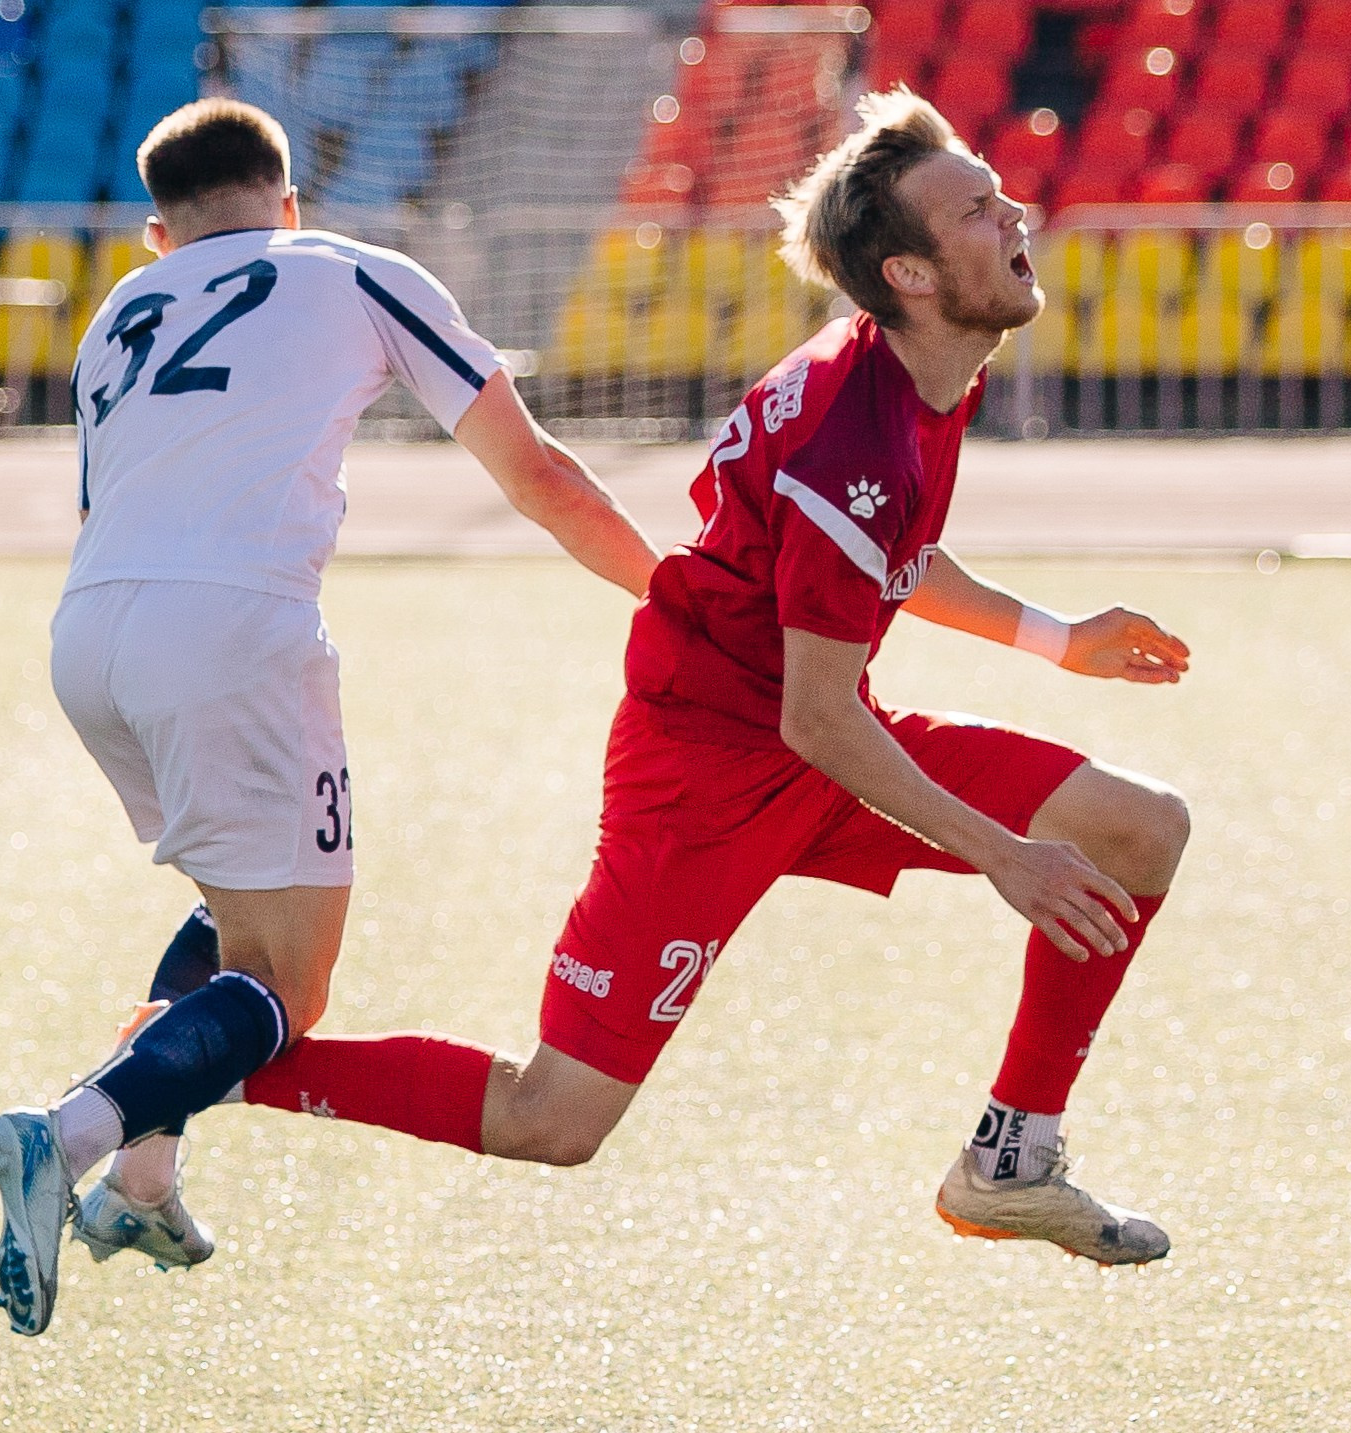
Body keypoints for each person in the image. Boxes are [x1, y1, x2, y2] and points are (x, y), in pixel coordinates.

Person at [139, 86, 1196, 1269]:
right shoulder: (861, 433)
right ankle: (186, 1064)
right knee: (555, 1119)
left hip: (811, 726)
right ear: (907, 271)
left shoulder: (922, 362)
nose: (1016, 213)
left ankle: (1010, 1158)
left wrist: (1058, 637)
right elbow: (819, 705)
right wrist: (1003, 851)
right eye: (975, 207)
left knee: (1138, 825)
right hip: (707, 766)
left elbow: (879, 560)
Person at [0, 97, 660, 1337]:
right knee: (292, 985)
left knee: (237, 912)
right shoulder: (349, 266)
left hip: (89, 633)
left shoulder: (115, 314)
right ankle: (67, 1130)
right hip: (233, 630)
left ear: (156, 234)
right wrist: (674, 600)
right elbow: (539, 475)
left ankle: (143, 1180)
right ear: (288, 201)